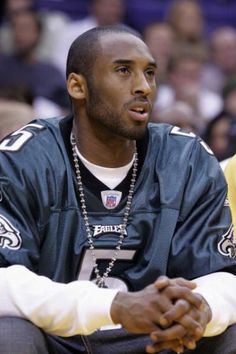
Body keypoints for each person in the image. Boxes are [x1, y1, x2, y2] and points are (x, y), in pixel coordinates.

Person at [0, 24, 236, 354]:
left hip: (158, 339)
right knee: (7, 333)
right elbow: (4, 280)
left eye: (150, 73)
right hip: (58, 338)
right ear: (77, 86)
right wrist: (115, 305)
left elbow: (223, 273)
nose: (144, 87)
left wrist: (201, 308)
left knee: (228, 330)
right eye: (123, 70)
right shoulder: (24, 158)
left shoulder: (187, 158)